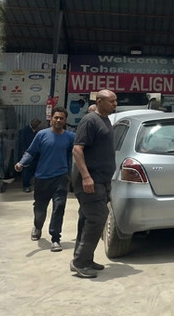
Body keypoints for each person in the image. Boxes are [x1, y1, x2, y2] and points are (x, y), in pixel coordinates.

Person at [70, 89, 117, 278]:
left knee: (86, 218)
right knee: (98, 217)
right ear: (99, 101)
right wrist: (86, 177)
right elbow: (77, 150)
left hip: (102, 180)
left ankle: (83, 258)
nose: (115, 104)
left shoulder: (105, 120)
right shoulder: (90, 120)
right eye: (111, 101)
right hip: (91, 180)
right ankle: (81, 262)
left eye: (115, 101)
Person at [15, 109, 75, 252]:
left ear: (65, 120)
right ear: (51, 119)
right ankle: (37, 226)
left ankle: (55, 238)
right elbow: (31, 152)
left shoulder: (70, 137)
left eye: (61, 118)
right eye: (56, 118)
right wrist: (21, 163)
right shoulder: (42, 135)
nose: (58, 120)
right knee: (40, 208)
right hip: (42, 178)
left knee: (59, 207)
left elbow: (81, 150)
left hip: (61, 178)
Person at [16, 118, 41, 192]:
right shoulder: (25, 130)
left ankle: (33, 184)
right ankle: (26, 186)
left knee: (34, 169)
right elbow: (22, 142)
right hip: (27, 153)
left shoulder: (37, 132)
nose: (36, 126)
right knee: (26, 170)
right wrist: (24, 153)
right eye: (35, 124)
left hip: (36, 153)